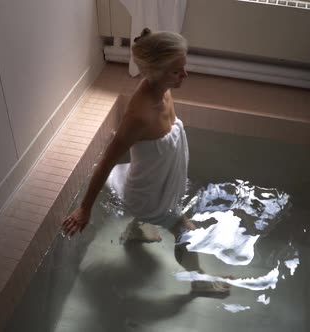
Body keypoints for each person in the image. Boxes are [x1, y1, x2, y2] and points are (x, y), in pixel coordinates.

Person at [62, 28, 229, 295]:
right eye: (177, 71)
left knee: (166, 218)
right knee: (188, 233)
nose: (185, 75)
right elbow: (106, 160)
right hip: (150, 194)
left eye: (183, 67)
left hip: (157, 180)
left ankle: (137, 230)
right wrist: (84, 208)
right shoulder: (139, 116)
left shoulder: (161, 89)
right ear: (155, 72)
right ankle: (199, 282)